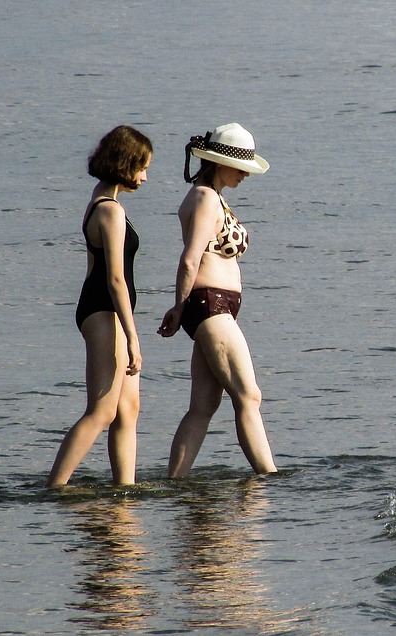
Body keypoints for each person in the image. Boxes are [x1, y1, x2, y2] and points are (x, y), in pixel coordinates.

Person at [157, 123, 278, 477]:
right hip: (210, 305)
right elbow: (190, 258)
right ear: (218, 161)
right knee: (249, 396)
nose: (245, 175)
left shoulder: (210, 196)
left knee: (203, 405)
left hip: (213, 308)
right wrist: (179, 307)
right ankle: (269, 478)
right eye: (241, 167)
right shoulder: (207, 198)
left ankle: (175, 483)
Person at [48, 125, 151, 487]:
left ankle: (126, 489)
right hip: (105, 310)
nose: (145, 176)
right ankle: (56, 487)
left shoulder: (102, 200)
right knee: (103, 410)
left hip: (105, 309)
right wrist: (133, 336)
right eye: (142, 167)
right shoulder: (110, 211)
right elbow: (115, 279)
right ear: (124, 164)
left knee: (127, 409)